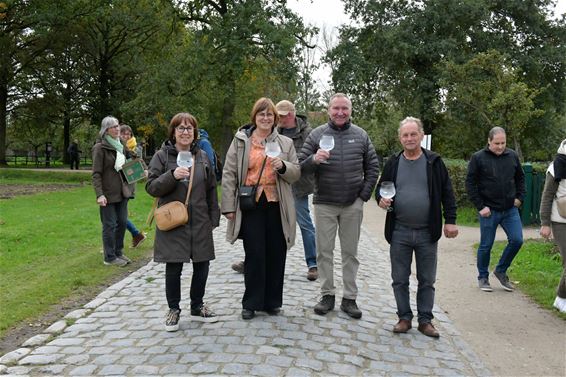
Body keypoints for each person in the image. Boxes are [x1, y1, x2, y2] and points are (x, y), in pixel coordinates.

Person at [376, 117, 458, 338]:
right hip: (399, 229)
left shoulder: (434, 162)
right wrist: (381, 201)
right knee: (399, 278)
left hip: (426, 232)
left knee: (427, 280)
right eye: (405, 135)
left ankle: (425, 320)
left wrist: (450, 220)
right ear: (400, 138)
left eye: (414, 134)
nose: (410, 138)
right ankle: (404, 317)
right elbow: (380, 190)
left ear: (421, 136)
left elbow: (447, 193)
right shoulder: (393, 162)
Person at [298, 93, 379, 319]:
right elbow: (300, 167)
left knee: (350, 253)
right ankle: (327, 295)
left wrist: (362, 196)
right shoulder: (316, 134)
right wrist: (314, 159)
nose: (340, 112)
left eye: (345, 108)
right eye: (336, 108)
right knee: (324, 252)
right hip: (325, 202)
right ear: (328, 110)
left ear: (350, 110)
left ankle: (350, 298)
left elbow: (373, 167)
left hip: (352, 203)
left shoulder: (361, 135)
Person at [221, 97, 300, 320]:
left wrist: (283, 166)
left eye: (269, 115)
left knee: (277, 251)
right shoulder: (241, 141)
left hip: (277, 203)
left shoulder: (286, 143)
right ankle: (251, 302)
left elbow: (296, 173)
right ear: (254, 117)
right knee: (254, 253)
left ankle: (272, 302)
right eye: (261, 114)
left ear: (275, 118)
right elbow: (228, 174)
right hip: (251, 203)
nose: (265, 118)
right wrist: (228, 206)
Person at [146, 112, 220, 332]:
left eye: (189, 128)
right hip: (173, 220)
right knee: (174, 266)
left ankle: (197, 306)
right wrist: (172, 175)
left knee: (202, 264)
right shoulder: (161, 156)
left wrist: (213, 217)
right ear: (173, 132)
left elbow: (211, 189)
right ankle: (173, 309)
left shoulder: (203, 156)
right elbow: (151, 187)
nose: (185, 132)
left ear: (195, 133)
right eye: (181, 128)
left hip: (199, 219)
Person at [231, 100, 318, 281]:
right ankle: (250, 262)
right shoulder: (269, 133)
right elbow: (231, 171)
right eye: (280, 115)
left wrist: (287, 165)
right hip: (261, 192)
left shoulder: (306, 133)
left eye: (284, 115)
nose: (282, 118)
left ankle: (312, 263)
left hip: (297, 186)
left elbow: (305, 162)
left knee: (303, 224)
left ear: (292, 115)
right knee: (255, 236)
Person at [466, 127, 525, 292]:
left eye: (503, 143)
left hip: (509, 209)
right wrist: (480, 206)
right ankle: (483, 277)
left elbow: (520, 178)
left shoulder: (512, 155)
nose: (500, 147)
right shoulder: (478, 158)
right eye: (497, 143)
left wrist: (520, 198)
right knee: (486, 245)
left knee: (517, 240)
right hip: (488, 210)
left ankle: (500, 270)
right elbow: (470, 183)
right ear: (489, 141)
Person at [92, 116, 133, 267]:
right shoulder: (100, 148)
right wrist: (99, 194)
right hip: (107, 193)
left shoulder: (121, 145)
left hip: (123, 191)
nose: (117, 129)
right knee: (109, 225)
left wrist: (139, 167)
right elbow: (96, 173)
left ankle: (118, 252)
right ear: (106, 130)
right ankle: (109, 257)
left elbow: (132, 159)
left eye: (117, 126)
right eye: (113, 127)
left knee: (122, 222)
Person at [539, 139, 566, 313]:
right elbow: (547, 196)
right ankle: (561, 298)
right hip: (560, 221)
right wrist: (545, 224)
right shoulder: (556, 167)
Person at [119, 124, 147, 248]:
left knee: (119, 215)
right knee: (118, 215)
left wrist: (144, 169)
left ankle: (135, 235)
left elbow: (140, 165)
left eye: (128, 134)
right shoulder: (117, 146)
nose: (126, 136)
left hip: (127, 185)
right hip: (118, 184)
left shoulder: (134, 148)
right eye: (123, 133)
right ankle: (136, 235)